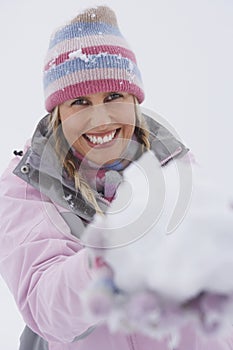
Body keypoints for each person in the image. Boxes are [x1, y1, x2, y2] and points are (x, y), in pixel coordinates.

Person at [0, 5, 233, 350]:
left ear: (133, 99)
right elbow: (46, 309)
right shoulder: (27, 187)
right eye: (79, 101)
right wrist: (111, 253)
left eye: (113, 96)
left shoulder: (173, 163)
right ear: (57, 113)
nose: (100, 119)